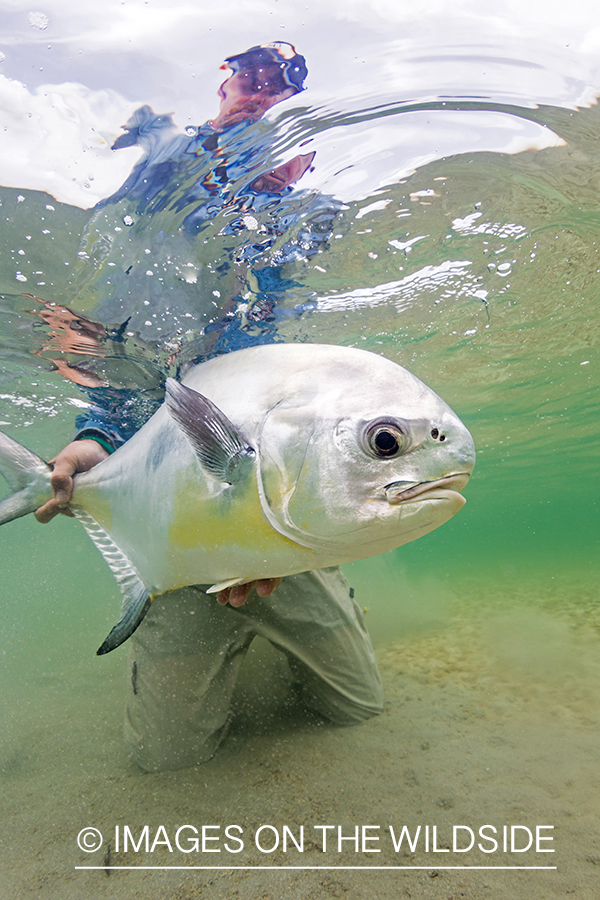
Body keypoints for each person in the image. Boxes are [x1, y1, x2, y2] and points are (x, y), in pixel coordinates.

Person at [35, 43, 383, 772]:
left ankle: (316, 584)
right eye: (249, 74)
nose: (261, 90)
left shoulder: (308, 233)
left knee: (359, 711)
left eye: (281, 86)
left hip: (286, 532)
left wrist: (298, 538)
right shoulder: (163, 169)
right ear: (221, 83)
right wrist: (91, 446)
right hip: (183, 554)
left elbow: (317, 415)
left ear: (305, 161)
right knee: (169, 761)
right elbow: (132, 388)